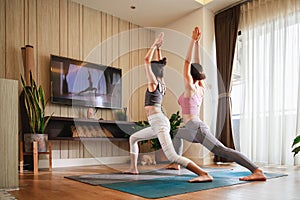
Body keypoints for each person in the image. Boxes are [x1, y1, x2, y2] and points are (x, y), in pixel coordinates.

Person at [167, 27, 266, 181]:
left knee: (222, 150)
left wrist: (193, 41)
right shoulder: (200, 87)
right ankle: (175, 163)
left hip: (197, 128)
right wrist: (197, 44)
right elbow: (196, 65)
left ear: (190, 75)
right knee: (175, 134)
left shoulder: (191, 88)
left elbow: (187, 63)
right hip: (192, 128)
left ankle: (256, 170)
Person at [124, 32, 213, 183]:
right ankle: (134, 168)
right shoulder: (161, 81)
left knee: (172, 156)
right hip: (156, 122)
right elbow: (159, 63)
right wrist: (159, 48)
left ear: (152, 72)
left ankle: (202, 173)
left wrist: (154, 44)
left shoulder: (153, 83)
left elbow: (146, 60)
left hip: (158, 122)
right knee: (133, 138)